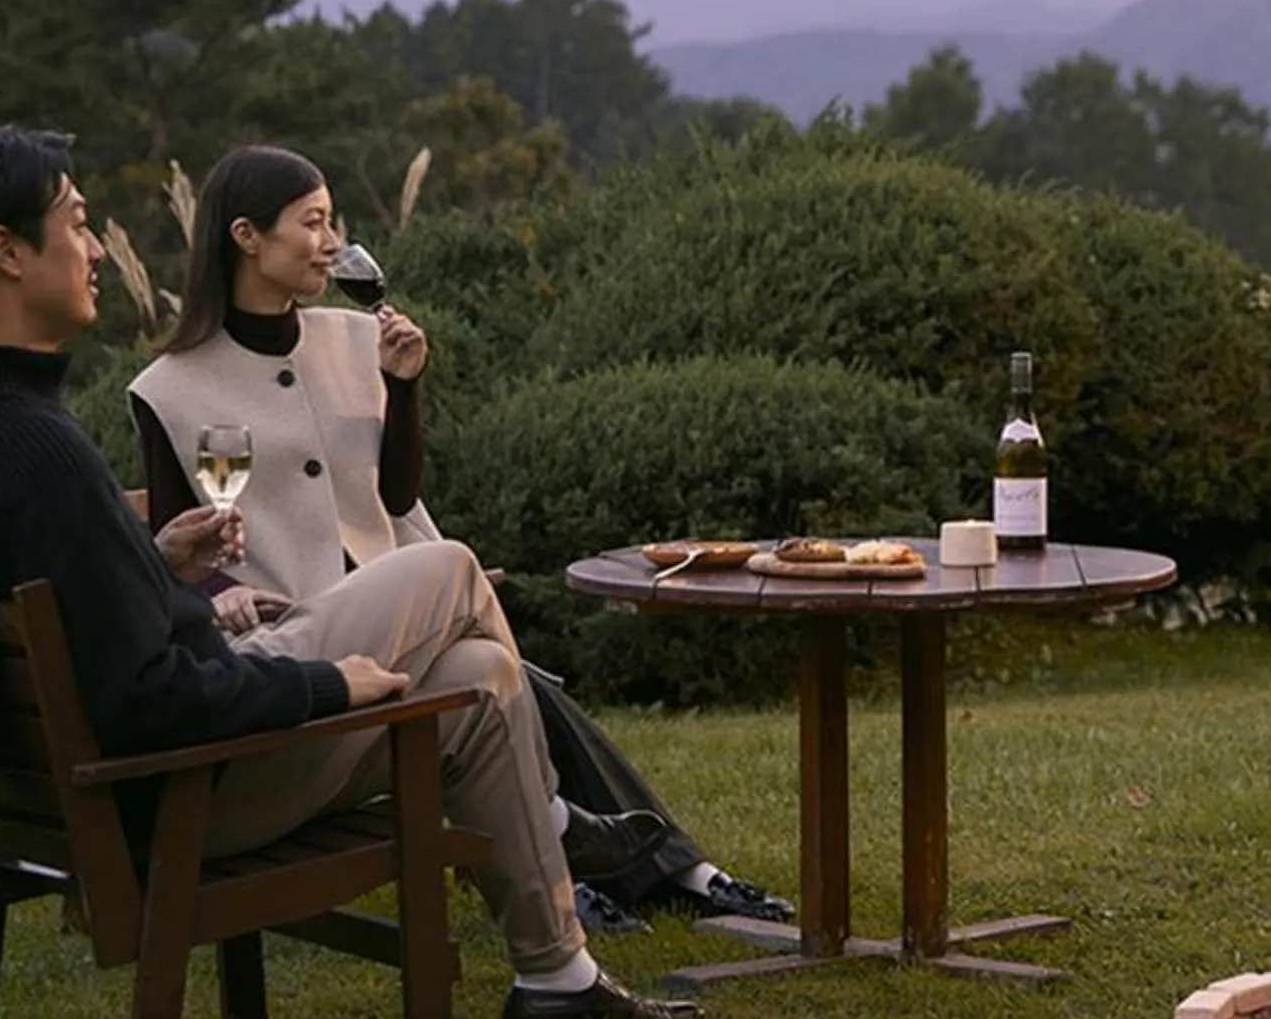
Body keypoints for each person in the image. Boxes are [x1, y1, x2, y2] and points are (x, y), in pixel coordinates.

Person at [0, 122, 696, 1019]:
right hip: (189, 790)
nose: (95, 248)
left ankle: (557, 978)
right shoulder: (40, 449)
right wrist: (325, 684)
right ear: (7, 252)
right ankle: (555, 817)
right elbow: (149, 700)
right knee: (449, 567)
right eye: (77, 222)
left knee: (480, 679)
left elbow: (58, 602)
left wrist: (152, 563)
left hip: (68, 795)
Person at [128, 144, 794, 937]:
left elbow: (396, 495)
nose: (334, 242)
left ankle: (633, 867)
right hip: (298, 637)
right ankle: (634, 866)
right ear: (246, 236)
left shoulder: (353, 337)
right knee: (508, 680)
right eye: (312, 223)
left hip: (401, 599)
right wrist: (222, 593)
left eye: (334, 221)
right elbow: (176, 546)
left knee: (503, 678)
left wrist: (403, 388)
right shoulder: (169, 388)